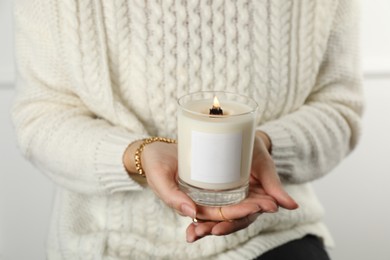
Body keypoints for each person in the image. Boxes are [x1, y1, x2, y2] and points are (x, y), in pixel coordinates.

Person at [12, 0, 363, 259]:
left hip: (272, 237)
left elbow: (338, 110)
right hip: (106, 241)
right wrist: (139, 156)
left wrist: (260, 146)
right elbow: (41, 120)